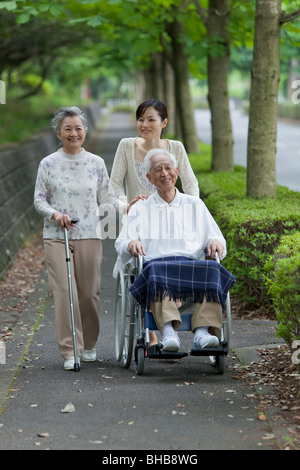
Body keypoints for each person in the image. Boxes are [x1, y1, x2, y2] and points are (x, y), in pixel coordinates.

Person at [34, 106, 134, 370]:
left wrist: (127, 206)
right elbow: (39, 200)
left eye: (78, 128)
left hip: (90, 234)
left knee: (89, 294)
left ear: (85, 131)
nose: (73, 133)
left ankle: (89, 345)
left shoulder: (96, 163)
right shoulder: (48, 164)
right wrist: (55, 214)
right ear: (59, 133)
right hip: (57, 236)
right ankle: (71, 351)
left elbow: (108, 198)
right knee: (64, 293)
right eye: (67, 128)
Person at [115, 149, 232, 352]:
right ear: (149, 178)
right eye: (157, 170)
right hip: (156, 266)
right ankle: (168, 333)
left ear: (176, 172)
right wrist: (130, 243)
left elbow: (216, 237)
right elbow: (122, 242)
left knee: (213, 270)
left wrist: (215, 242)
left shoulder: (195, 204)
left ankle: (203, 332)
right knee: (155, 271)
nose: (164, 173)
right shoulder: (141, 207)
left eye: (168, 167)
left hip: (191, 265)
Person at [111, 99, 199, 345]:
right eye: (141, 119)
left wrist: (189, 210)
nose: (145, 124)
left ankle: (168, 325)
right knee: (143, 267)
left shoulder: (176, 148)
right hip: (138, 219)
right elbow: (114, 184)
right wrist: (125, 205)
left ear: (164, 123)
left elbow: (191, 184)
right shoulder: (127, 146)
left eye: (151, 119)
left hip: (171, 219)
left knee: (175, 264)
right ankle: (149, 333)